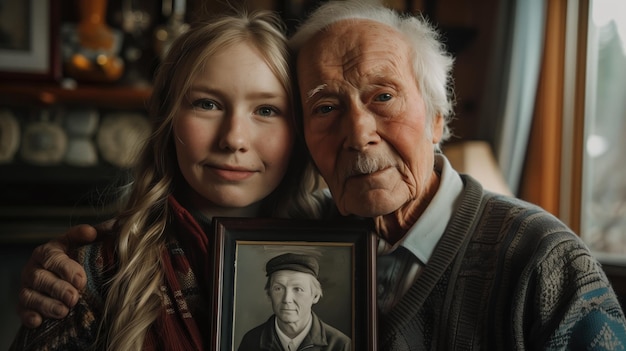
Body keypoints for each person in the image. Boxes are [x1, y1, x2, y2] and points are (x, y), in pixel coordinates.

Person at [17, 0, 626, 349]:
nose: (358, 132)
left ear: (439, 116)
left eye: (383, 96)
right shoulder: (319, 235)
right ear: (310, 137)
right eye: (327, 107)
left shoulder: (539, 260)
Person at [10, 9, 329, 351]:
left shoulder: (345, 243)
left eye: (266, 110)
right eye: (207, 104)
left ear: (298, 130)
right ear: (168, 119)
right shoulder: (95, 272)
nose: (234, 139)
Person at [237, 253, 351, 351]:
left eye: (298, 289)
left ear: (315, 296)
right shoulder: (251, 342)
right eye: (278, 289)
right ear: (269, 294)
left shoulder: (340, 345)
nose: (287, 299)